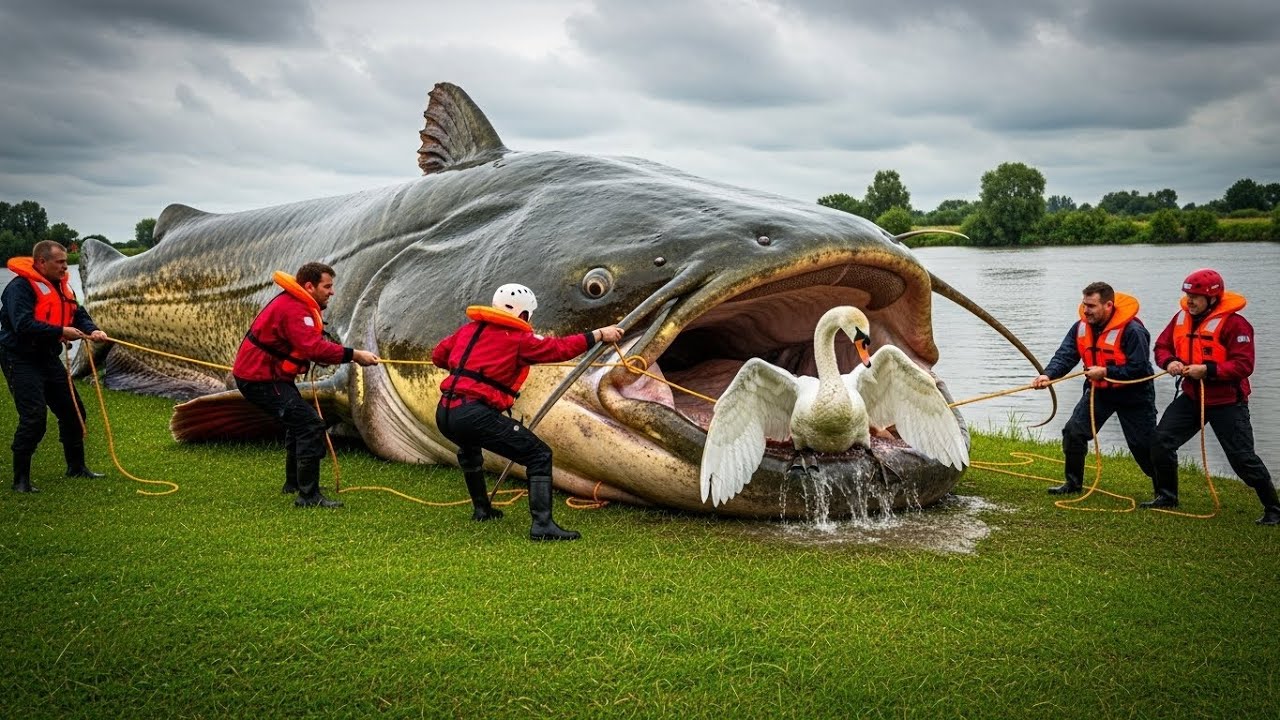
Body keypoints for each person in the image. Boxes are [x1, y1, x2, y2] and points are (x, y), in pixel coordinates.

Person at [432, 283, 623, 541]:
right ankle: (542, 526)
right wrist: (598, 334)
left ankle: (482, 509)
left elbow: (439, 355)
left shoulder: (468, 329)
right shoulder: (519, 339)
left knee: (469, 450)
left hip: (445, 412)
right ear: (524, 315)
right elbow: (559, 349)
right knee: (538, 455)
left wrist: (468, 371)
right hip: (472, 413)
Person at [232, 262, 380, 508]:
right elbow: (313, 348)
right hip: (261, 379)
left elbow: (308, 345)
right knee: (310, 424)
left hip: (269, 377)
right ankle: (308, 496)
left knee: (297, 422)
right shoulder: (295, 310)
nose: (332, 292)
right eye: (327, 286)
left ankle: (294, 484)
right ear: (309, 286)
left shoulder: (295, 304)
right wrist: (355, 355)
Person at [1145, 269, 1279, 525]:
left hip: (1227, 402)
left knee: (1243, 459)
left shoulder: (1236, 324)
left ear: (1213, 298)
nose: (1189, 301)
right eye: (1187, 295)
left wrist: (1208, 370)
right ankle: (1167, 496)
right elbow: (1162, 347)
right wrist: (1170, 361)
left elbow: (1244, 365)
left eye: (1195, 296)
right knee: (1161, 441)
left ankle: (1274, 508)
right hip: (1192, 397)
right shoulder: (1180, 318)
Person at [1, 240, 112, 492]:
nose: (65, 267)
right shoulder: (19, 289)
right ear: (41, 262)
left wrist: (93, 330)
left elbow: (77, 313)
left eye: (66, 262)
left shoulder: (62, 287)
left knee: (74, 411)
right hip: (19, 358)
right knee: (34, 418)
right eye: (60, 262)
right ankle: (20, 481)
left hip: (47, 357)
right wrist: (61, 331)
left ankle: (76, 468)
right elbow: (23, 325)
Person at [1033, 281, 1157, 495]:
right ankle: (1073, 484)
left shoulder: (1133, 330)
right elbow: (1066, 355)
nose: (1086, 310)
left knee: (1142, 445)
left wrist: (1107, 372)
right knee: (1073, 432)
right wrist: (1048, 374)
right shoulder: (1080, 327)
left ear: (1108, 305)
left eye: (1091, 306)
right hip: (1100, 392)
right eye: (1084, 304)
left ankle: (1165, 492)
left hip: (1134, 394)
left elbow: (1140, 369)